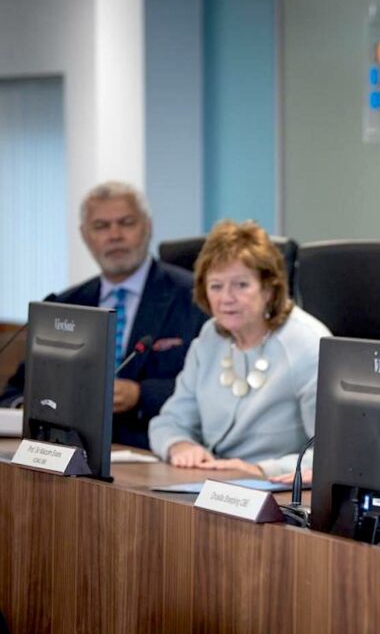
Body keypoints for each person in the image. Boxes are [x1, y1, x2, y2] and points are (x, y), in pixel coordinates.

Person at [0, 181, 206, 449]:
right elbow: (15, 394)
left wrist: (141, 395)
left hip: (156, 450)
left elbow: (212, 391)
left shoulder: (195, 296)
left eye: (127, 222)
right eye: (101, 226)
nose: (115, 235)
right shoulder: (66, 303)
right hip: (73, 452)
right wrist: (34, 407)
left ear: (148, 227)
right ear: (85, 235)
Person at [149, 220, 330, 478]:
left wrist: (259, 469)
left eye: (241, 285)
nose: (226, 298)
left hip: (278, 494)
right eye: (216, 286)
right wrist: (180, 445)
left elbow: (332, 454)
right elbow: (169, 421)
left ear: (269, 288)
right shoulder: (210, 337)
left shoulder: (307, 344)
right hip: (211, 484)